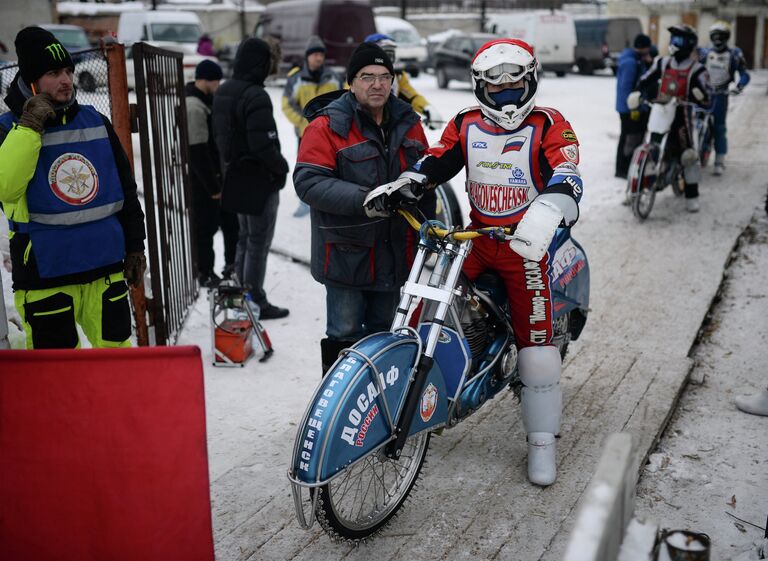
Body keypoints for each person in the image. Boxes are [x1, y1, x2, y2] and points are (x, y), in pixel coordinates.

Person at [368, 39, 583, 487]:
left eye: (515, 78)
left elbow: (567, 173)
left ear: (531, 79)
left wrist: (550, 208)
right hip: (478, 237)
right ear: (479, 84)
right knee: (432, 301)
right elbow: (439, 159)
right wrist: (409, 181)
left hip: (527, 244)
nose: (506, 88)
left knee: (536, 343)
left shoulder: (549, 124)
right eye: (495, 80)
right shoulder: (466, 123)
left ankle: (542, 440)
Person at [0, 26, 146, 348]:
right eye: (54, 72)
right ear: (32, 80)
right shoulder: (7, 128)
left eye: (68, 70)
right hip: (45, 278)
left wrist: (136, 246)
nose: (67, 80)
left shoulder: (96, 122)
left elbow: (126, 191)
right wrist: (29, 128)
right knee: (59, 382)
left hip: (105, 271)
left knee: (117, 369)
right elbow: (6, 189)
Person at [293, 41, 431, 374]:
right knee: (345, 337)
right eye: (367, 76)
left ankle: (380, 413)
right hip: (346, 256)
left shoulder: (408, 122)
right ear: (351, 82)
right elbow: (308, 182)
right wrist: (368, 198)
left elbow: (426, 173)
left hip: (395, 254)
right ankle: (339, 411)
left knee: (385, 339)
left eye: (385, 76)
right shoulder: (327, 126)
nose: (377, 84)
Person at [212, 37, 290, 320]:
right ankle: (255, 297)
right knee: (258, 241)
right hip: (258, 180)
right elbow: (263, 145)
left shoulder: (224, 90)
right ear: (261, 63)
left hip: (235, 175)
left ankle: (243, 295)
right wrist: (281, 168)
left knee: (245, 238)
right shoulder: (255, 95)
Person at [630, 24, 710, 213]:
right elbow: (645, 79)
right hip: (662, 111)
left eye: (679, 40)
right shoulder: (662, 63)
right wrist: (638, 92)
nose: (674, 44)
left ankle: (692, 195)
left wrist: (700, 97)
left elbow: (708, 98)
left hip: (683, 118)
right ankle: (638, 185)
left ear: (689, 44)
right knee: (651, 143)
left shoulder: (697, 69)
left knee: (689, 155)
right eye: (673, 40)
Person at [185, 60, 238, 288]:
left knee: (229, 224)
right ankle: (204, 272)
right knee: (205, 229)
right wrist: (213, 186)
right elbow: (197, 150)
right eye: (215, 80)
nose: (218, 85)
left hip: (216, 178)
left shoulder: (204, 101)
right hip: (204, 181)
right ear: (205, 79)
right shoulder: (194, 107)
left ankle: (230, 266)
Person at [281, 36, 343, 218]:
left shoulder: (333, 77)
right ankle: (304, 201)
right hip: (305, 132)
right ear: (307, 57)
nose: (318, 58)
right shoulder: (296, 78)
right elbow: (286, 104)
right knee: (306, 167)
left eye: (321, 54)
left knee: (333, 165)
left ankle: (330, 200)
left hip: (332, 131)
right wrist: (301, 122)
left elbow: (344, 99)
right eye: (314, 54)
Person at [364, 33, 443, 130]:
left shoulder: (397, 77)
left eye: (391, 54)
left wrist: (427, 108)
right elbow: (349, 100)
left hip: (390, 130)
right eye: (385, 54)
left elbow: (411, 96)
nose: (388, 60)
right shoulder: (358, 77)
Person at [701, 21, 750, 176]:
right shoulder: (705, 53)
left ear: (726, 37)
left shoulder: (734, 54)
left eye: (721, 36)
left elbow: (744, 74)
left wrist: (739, 86)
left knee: (719, 128)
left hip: (720, 96)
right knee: (694, 123)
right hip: (702, 94)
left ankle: (719, 160)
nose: (717, 39)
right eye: (715, 36)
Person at [614, 33, 653, 179]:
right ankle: (622, 169)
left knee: (630, 137)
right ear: (643, 48)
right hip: (629, 107)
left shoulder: (636, 59)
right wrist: (633, 108)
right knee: (628, 138)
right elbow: (626, 87)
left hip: (632, 106)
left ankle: (627, 166)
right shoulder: (631, 62)